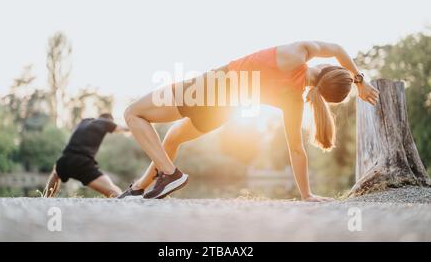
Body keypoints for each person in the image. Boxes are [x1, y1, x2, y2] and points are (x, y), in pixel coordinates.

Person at [119, 41, 380, 201]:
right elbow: (296, 150)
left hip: (210, 87)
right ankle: (140, 187)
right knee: (173, 138)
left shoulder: (298, 53)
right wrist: (306, 195)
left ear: (327, 68)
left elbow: (335, 48)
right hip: (222, 112)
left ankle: (170, 174)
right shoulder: (295, 102)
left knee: (133, 113)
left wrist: (359, 81)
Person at [44, 113, 128, 198]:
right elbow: (124, 129)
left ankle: (47, 197)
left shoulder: (85, 121)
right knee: (114, 191)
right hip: (82, 163)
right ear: (110, 120)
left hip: (65, 159)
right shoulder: (106, 122)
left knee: (56, 173)